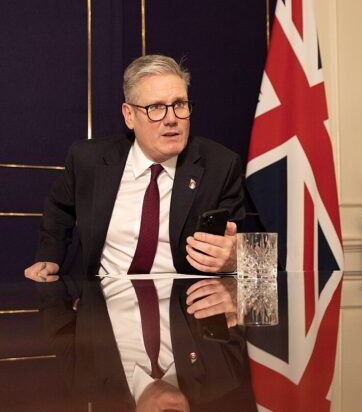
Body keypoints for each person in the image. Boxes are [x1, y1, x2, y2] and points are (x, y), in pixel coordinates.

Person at [24, 54, 245, 281]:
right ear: (129, 115)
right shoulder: (88, 159)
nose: (171, 119)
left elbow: (237, 241)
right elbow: (59, 210)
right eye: (156, 107)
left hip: (183, 304)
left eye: (179, 104)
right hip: (102, 301)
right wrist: (49, 257)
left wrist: (233, 259)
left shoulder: (221, 165)